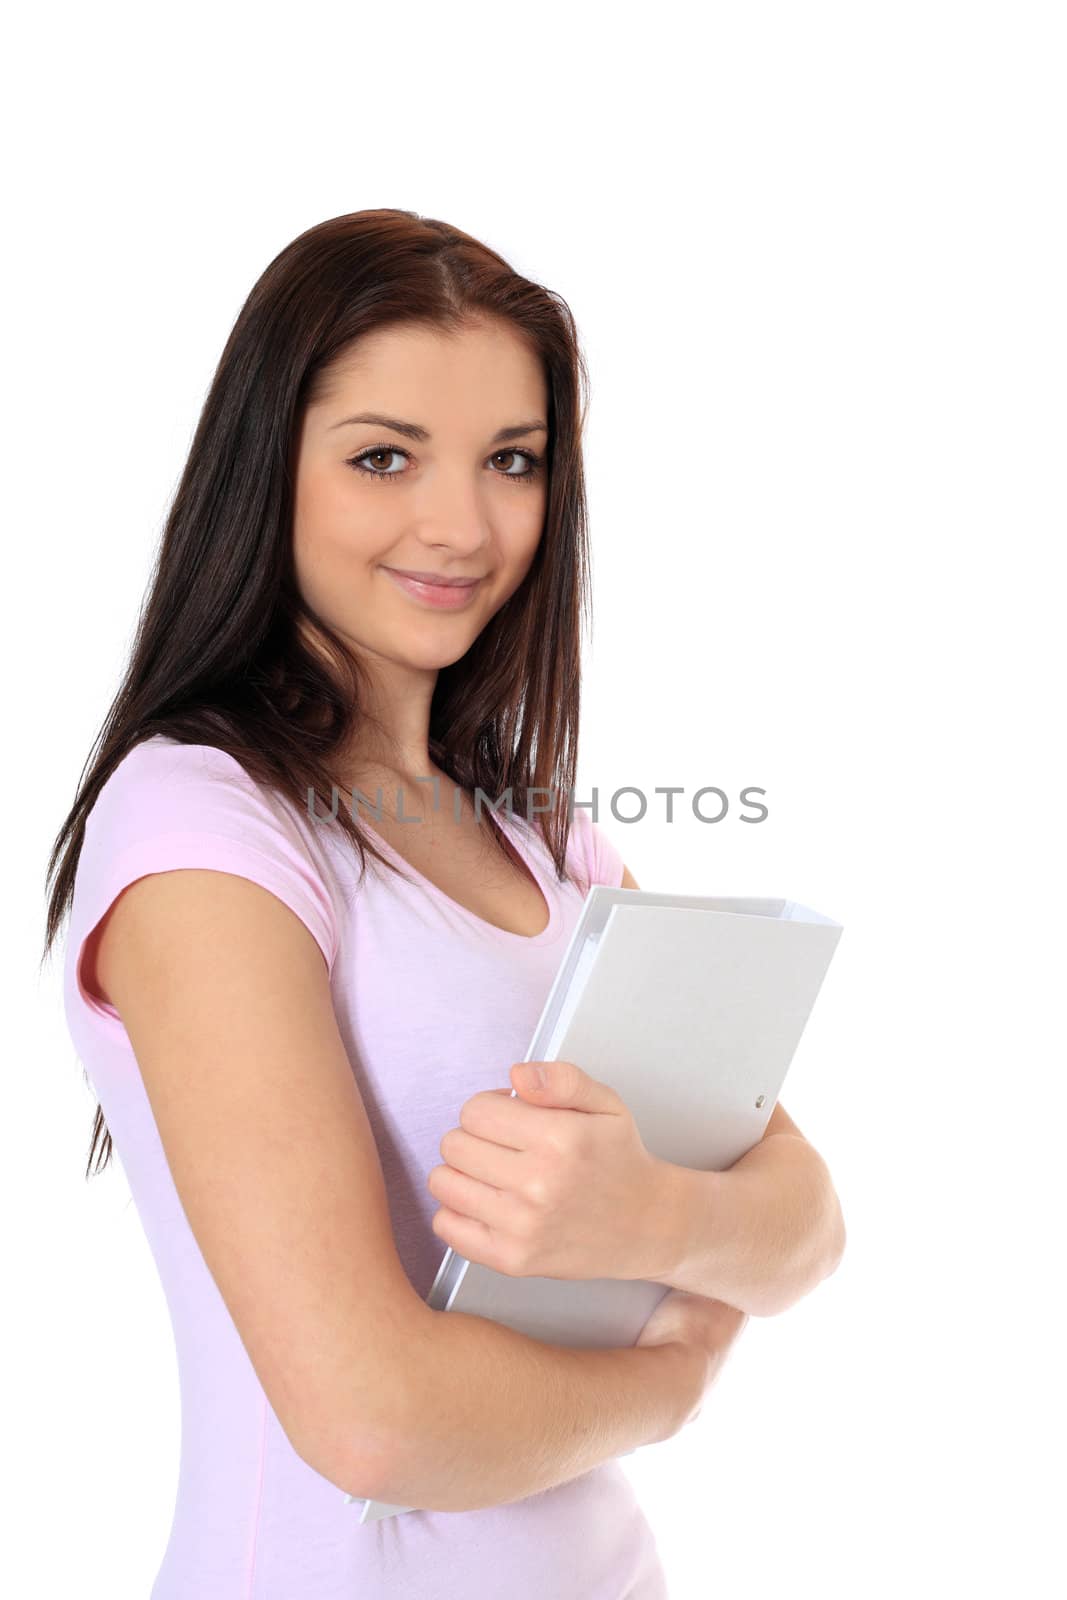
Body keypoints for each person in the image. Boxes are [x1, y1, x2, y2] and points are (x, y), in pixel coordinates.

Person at [43, 209, 748, 1599]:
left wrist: (651, 1216)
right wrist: (666, 1375)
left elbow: (804, 1213)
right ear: (268, 475)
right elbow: (371, 1421)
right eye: (382, 457)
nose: (461, 525)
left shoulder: (549, 838)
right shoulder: (201, 823)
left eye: (513, 461)